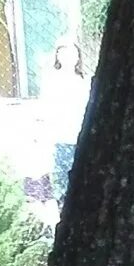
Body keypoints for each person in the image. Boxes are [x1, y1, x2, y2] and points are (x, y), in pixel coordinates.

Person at [41, 39, 92, 206]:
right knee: (62, 184)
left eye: (73, 53)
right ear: (58, 56)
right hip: (61, 138)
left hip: (80, 137)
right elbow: (47, 109)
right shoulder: (52, 80)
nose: (70, 57)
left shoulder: (82, 80)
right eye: (65, 53)